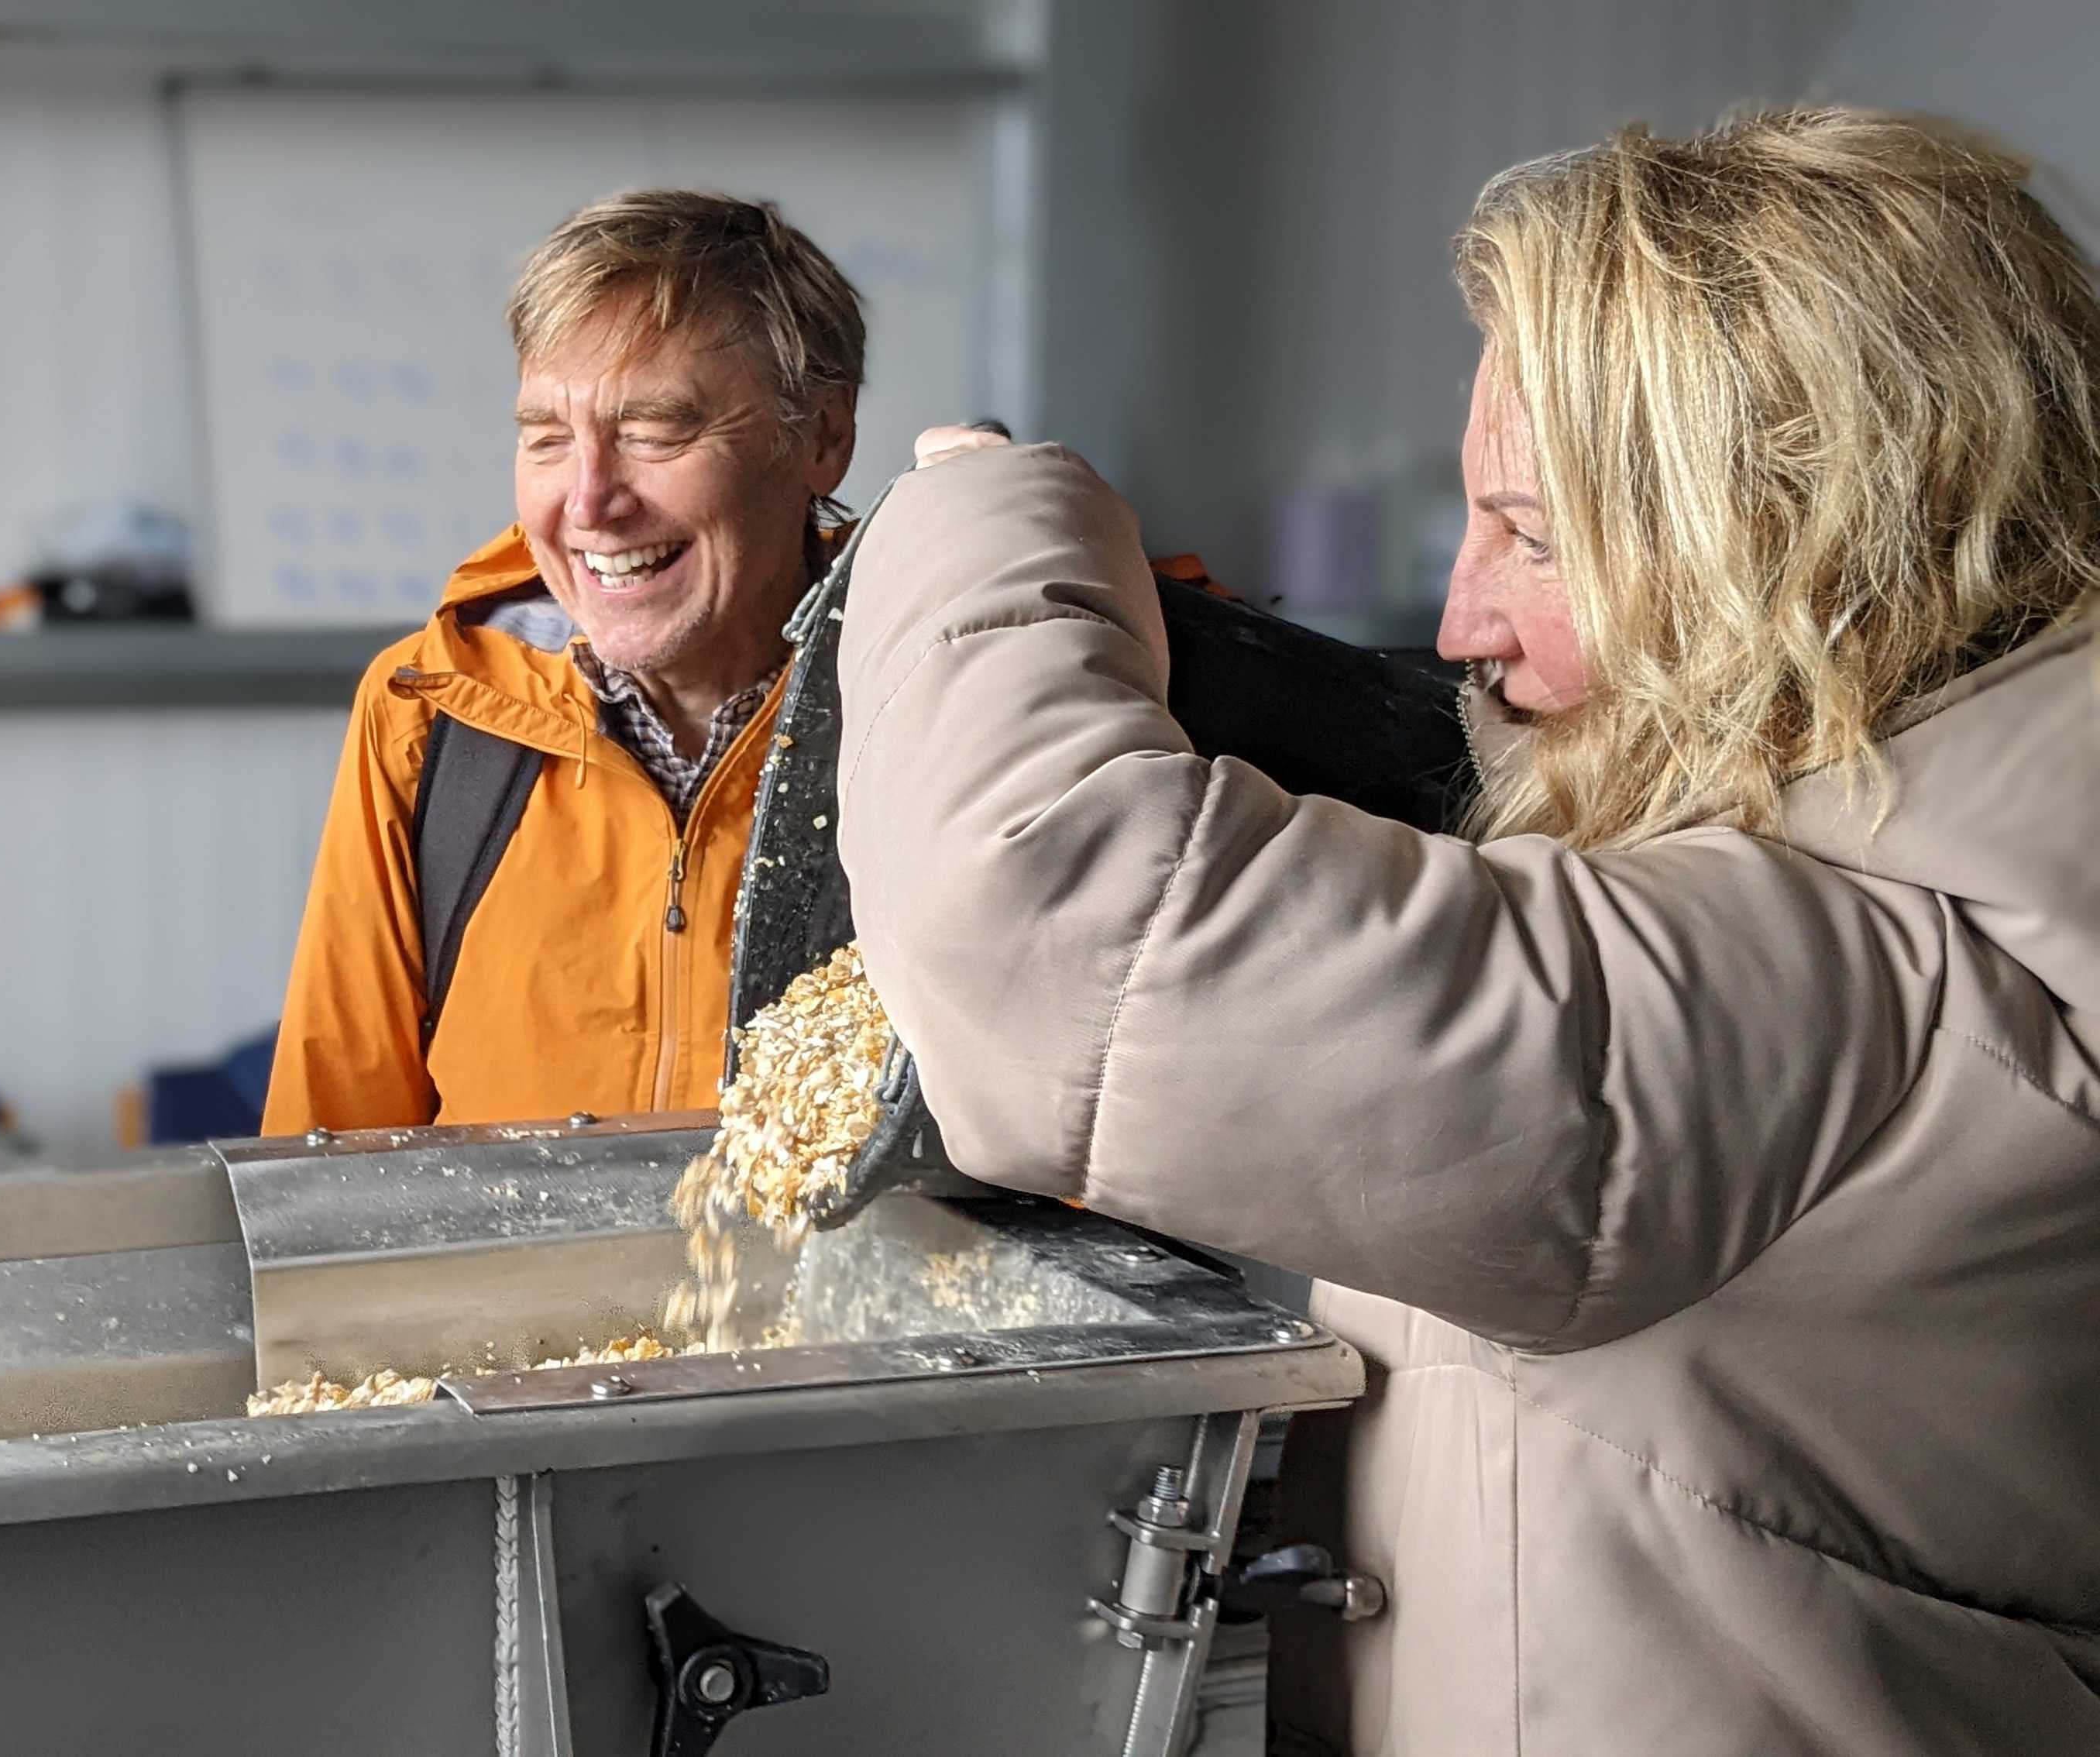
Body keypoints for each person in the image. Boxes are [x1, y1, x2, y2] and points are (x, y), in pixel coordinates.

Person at [836, 110, 2100, 1751]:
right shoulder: (1971, 862)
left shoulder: (1863, 1000)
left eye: (1536, 535)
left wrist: (983, 521)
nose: (1458, 624)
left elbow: (1049, 925)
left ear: (1789, 549)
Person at [262, 191, 860, 1132]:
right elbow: (329, 1167)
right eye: (546, 438)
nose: (588, 502)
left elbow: (1063, 1168)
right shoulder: (432, 718)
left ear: (823, 437)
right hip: (508, 1288)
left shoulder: (943, 709)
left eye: (655, 431)